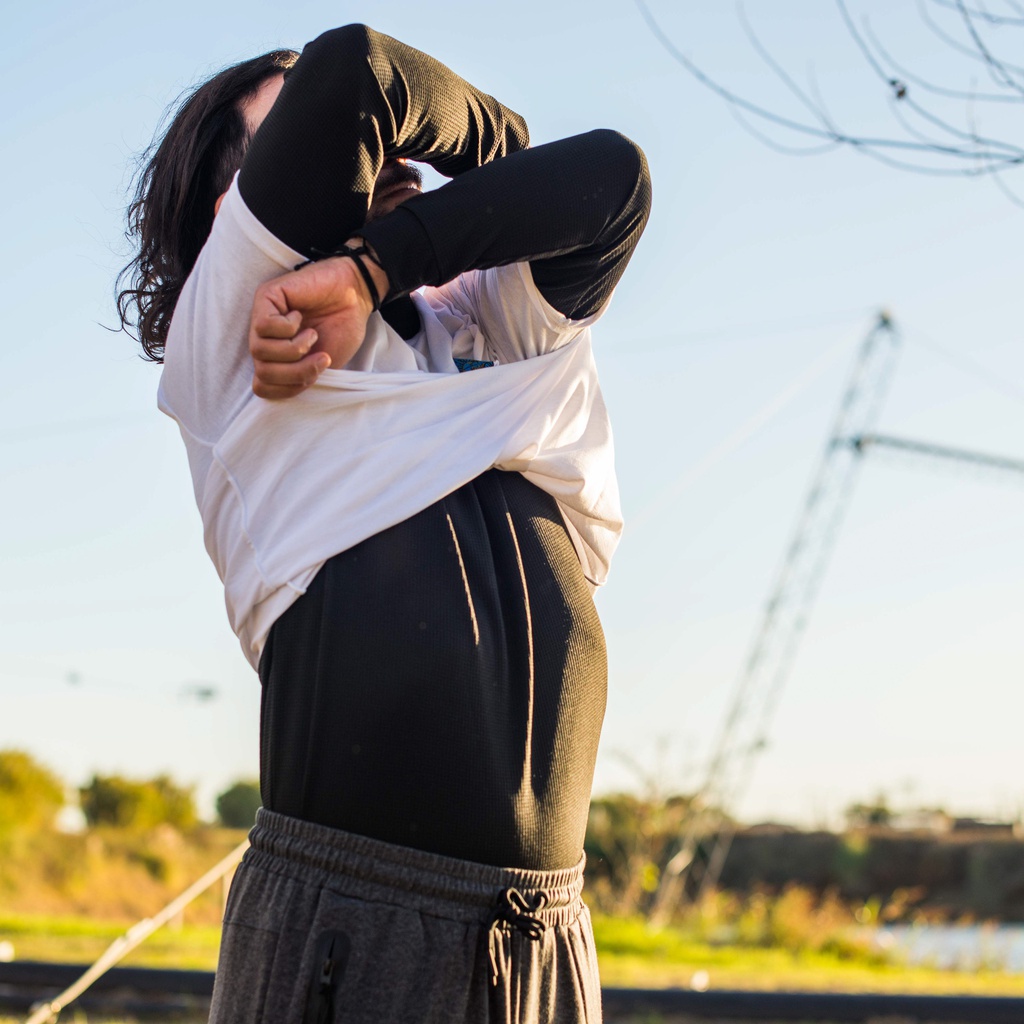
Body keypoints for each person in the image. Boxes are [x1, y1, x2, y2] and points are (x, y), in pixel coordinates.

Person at [118, 22, 650, 1024]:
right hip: (359, 929)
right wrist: (362, 261)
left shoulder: (493, 316)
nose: (390, 153)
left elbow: (610, 179)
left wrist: (378, 264)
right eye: (347, 151)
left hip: (545, 933)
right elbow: (355, 73)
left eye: (401, 145)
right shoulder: (240, 339)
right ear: (234, 208)